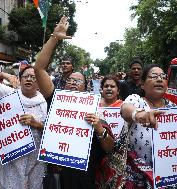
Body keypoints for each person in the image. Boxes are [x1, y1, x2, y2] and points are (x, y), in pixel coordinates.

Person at [34, 16, 114, 189]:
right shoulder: (56, 100)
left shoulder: (96, 113)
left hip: (85, 180)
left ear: (86, 89)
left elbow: (109, 147)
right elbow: (38, 68)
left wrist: (99, 128)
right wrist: (54, 38)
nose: (72, 83)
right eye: (70, 80)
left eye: (78, 82)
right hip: (57, 176)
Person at [120, 64, 177, 189]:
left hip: (167, 174)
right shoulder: (136, 100)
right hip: (137, 176)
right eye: (153, 76)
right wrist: (139, 114)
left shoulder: (174, 108)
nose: (159, 79)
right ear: (142, 84)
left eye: (163, 77)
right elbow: (125, 110)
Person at [0, 66, 47, 189]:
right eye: (25, 76)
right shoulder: (8, 93)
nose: (29, 79)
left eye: (33, 77)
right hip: (12, 158)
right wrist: (2, 76)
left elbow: (54, 130)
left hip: (36, 160)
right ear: (19, 79)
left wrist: (37, 124)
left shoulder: (46, 101)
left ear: (39, 82)